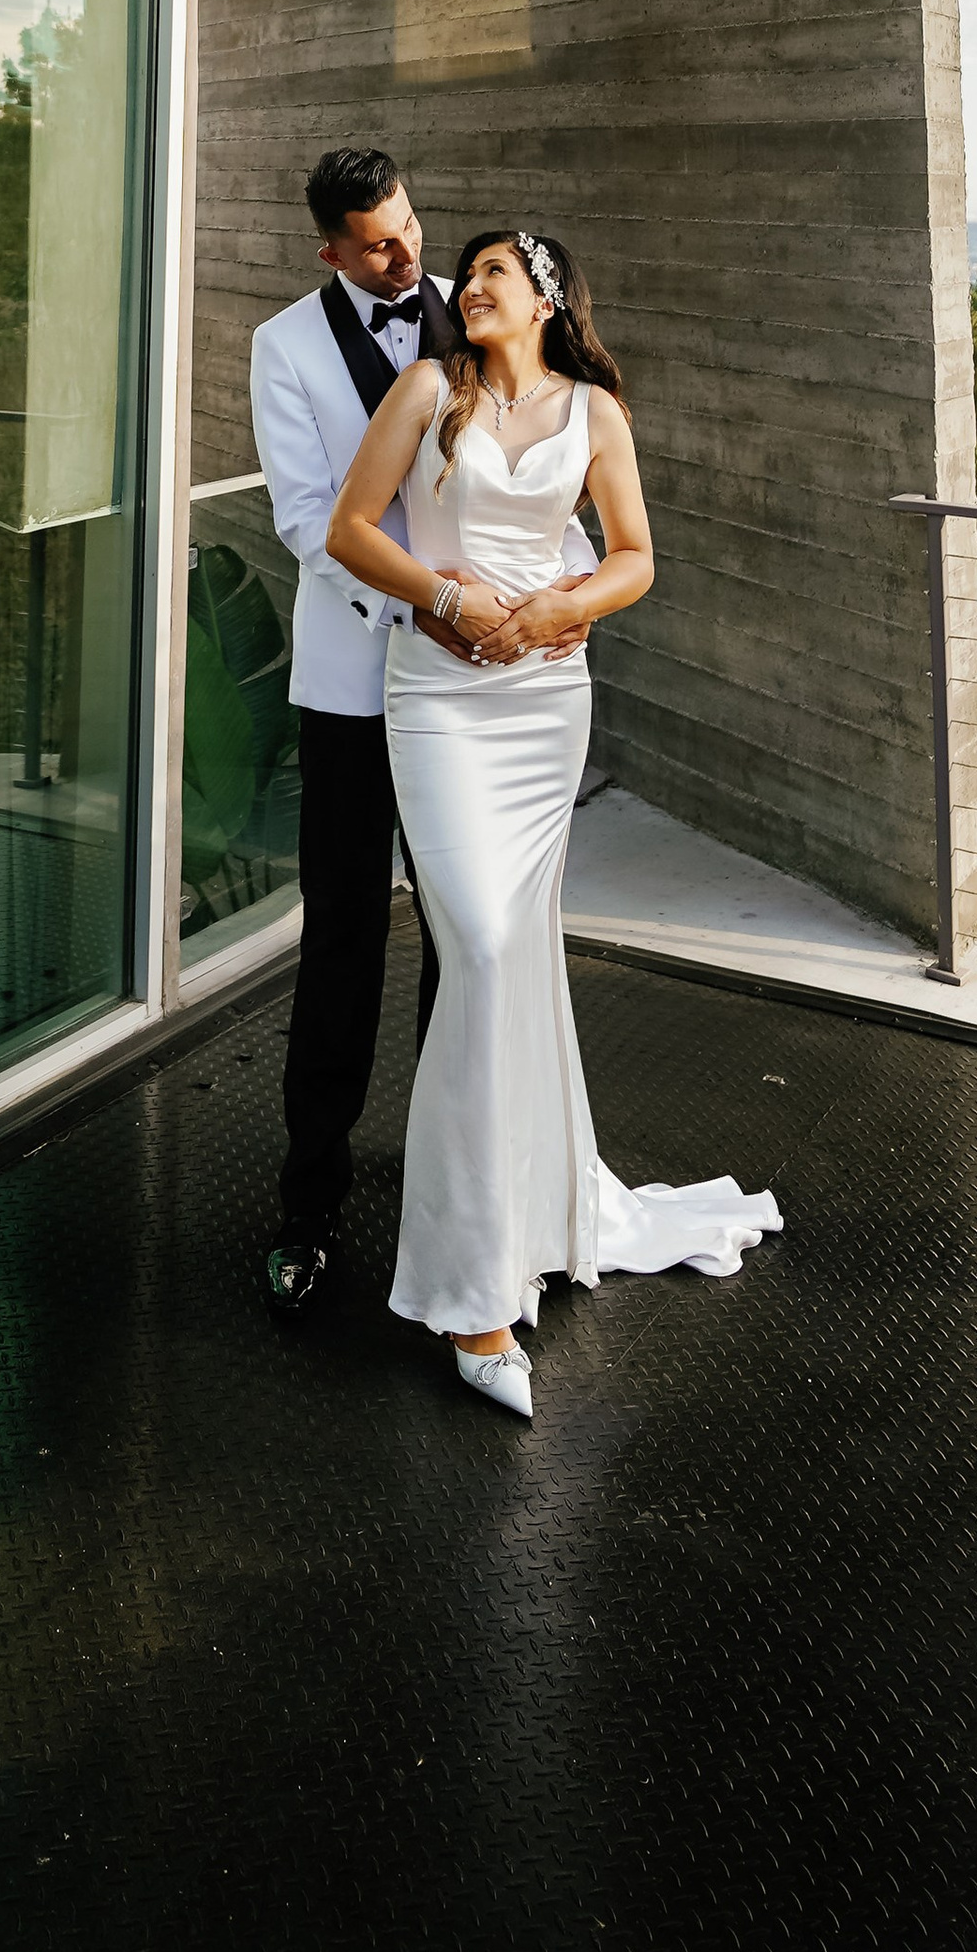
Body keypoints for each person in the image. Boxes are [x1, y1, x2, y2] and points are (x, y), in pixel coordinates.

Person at [327, 226, 780, 1418]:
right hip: (436, 699)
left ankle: (521, 1223)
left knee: (514, 958)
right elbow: (351, 529)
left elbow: (635, 558)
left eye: (491, 275)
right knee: (474, 945)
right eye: (463, 275)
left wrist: (565, 604)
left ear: (545, 299)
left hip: (542, 708)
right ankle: (469, 1296)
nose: (467, 287)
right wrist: (447, 594)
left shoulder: (594, 414)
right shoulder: (429, 389)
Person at [246, 147, 592, 1315]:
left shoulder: (488, 306)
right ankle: (309, 1210)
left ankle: (477, 1210)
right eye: (380, 244)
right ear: (330, 251)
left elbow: (551, 477)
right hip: (355, 682)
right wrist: (431, 603)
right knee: (342, 945)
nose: (411, 259)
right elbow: (308, 520)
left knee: (477, 950)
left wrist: (563, 601)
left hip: (493, 693)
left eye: (411, 229)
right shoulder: (284, 348)